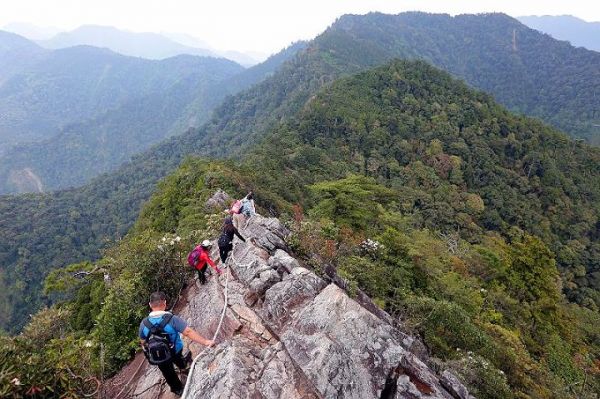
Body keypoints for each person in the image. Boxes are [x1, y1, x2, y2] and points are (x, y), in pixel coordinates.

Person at [139, 291, 214, 396]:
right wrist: (206, 342)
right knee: (178, 359)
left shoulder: (144, 323)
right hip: (175, 350)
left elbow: (143, 341)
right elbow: (188, 332)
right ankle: (183, 367)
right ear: (164, 303)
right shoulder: (172, 319)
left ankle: (177, 389)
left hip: (158, 356)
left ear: (150, 305)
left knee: (167, 372)